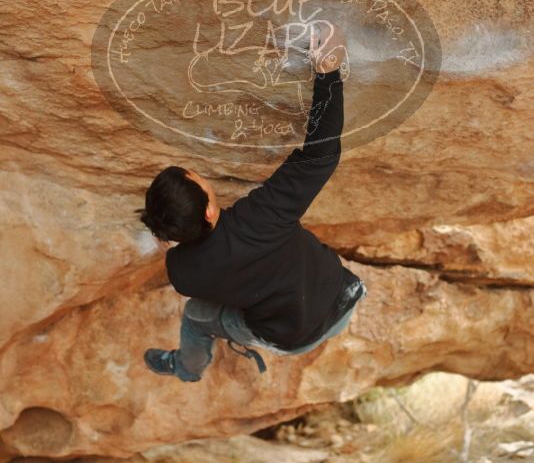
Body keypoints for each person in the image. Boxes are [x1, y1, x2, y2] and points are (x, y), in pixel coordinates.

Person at [138, 21, 367, 381]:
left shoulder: (182, 273)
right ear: (211, 210)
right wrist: (328, 73)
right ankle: (187, 367)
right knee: (217, 300)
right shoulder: (259, 219)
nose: (201, 176)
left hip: (288, 335)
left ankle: (186, 366)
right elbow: (320, 155)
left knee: (197, 316)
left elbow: (194, 256)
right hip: (341, 301)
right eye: (199, 179)